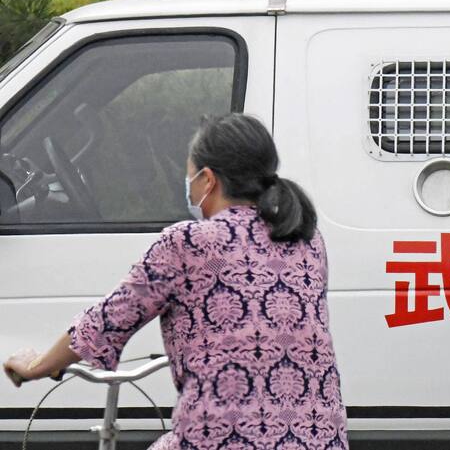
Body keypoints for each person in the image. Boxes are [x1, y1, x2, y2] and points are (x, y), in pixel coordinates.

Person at [3, 113, 348, 450]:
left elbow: (105, 321)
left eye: (189, 174)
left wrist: (37, 365)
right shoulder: (306, 240)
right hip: (321, 439)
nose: (188, 184)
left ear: (208, 180)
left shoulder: (186, 243)